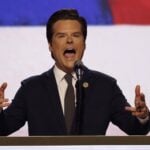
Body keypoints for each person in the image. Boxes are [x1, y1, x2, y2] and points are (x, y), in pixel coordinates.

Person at [0, 9, 150, 136]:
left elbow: (135, 129)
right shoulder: (31, 89)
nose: (70, 40)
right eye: (61, 36)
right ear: (51, 46)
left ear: (84, 44)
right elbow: (4, 128)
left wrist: (143, 116)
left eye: (76, 35)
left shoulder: (105, 86)